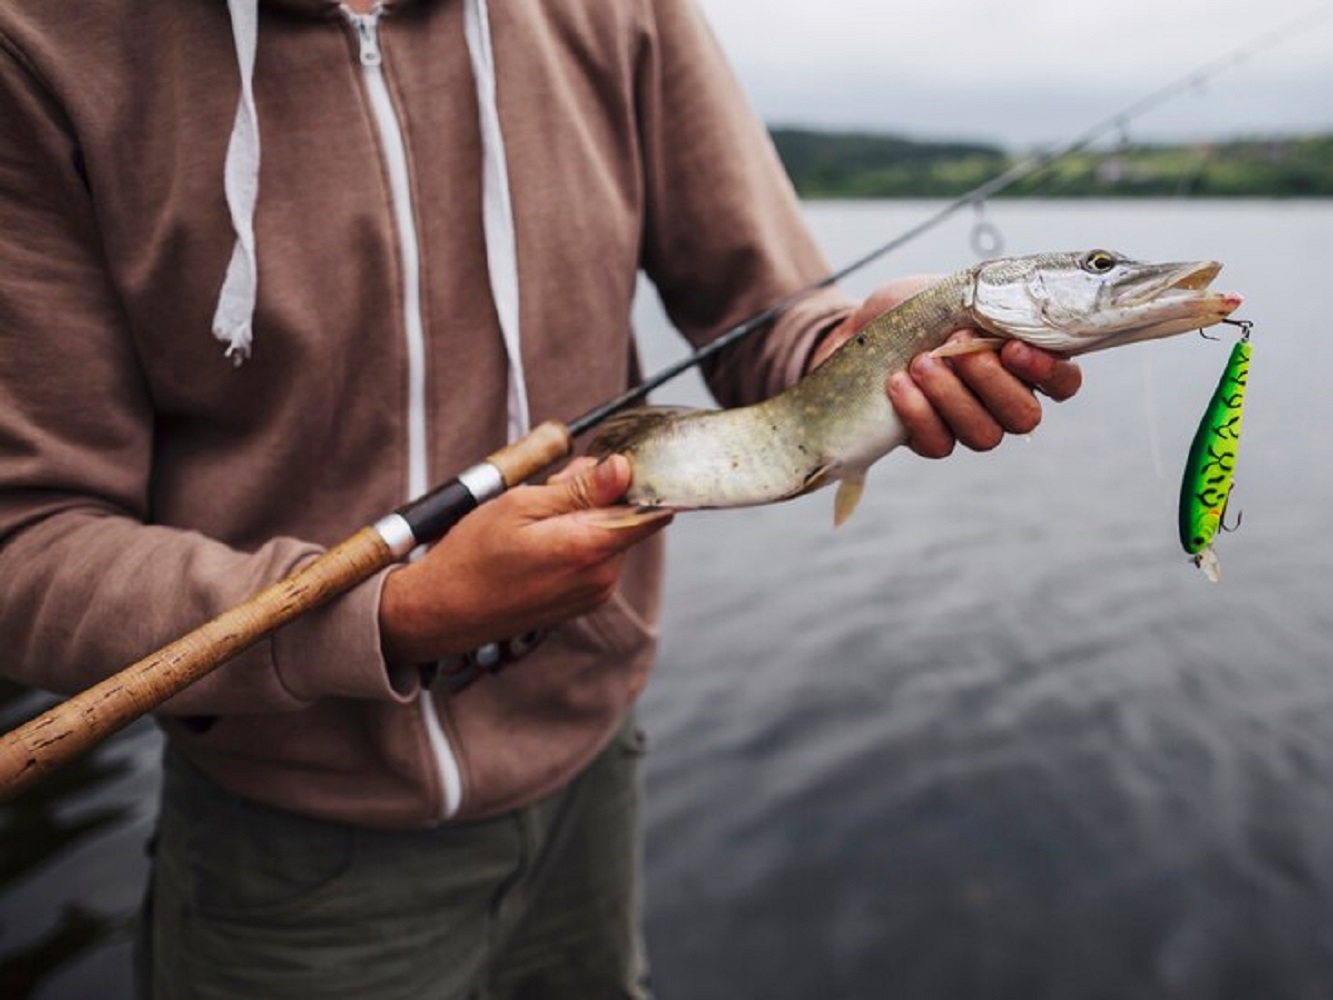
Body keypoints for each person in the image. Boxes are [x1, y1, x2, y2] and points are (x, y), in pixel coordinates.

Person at [0, 0, 1081, 996]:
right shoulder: (46, 42)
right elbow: (29, 544)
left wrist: (858, 353)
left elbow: (774, 313)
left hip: (593, 787)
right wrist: (393, 615)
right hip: (287, 852)